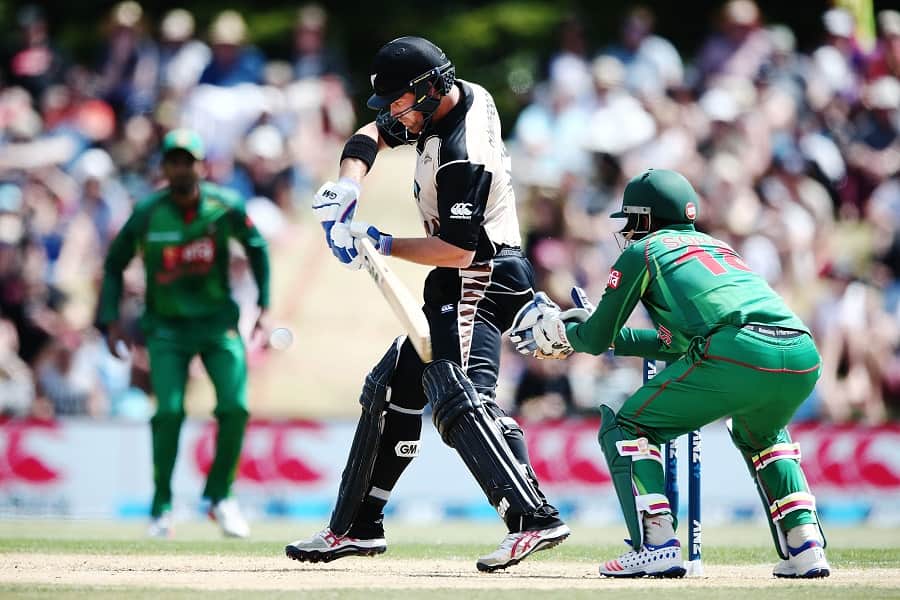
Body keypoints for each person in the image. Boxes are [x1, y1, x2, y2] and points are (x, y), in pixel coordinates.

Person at [285, 36, 569, 572]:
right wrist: (346, 186)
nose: (395, 116)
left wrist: (378, 240)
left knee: (457, 394)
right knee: (392, 386)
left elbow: (459, 249)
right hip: (462, 274)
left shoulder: (464, 156)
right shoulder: (450, 97)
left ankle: (534, 518)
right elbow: (371, 134)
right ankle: (356, 527)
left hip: (478, 272)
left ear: (429, 89)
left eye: (399, 103)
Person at [511, 169, 830, 578]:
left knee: (627, 427)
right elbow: (676, 343)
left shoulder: (642, 253)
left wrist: (564, 333)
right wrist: (592, 334)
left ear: (646, 218)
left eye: (630, 220)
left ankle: (657, 544)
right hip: (800, 352)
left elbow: (592, 339)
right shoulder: (719, 249)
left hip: (736, 350)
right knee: (763, 436)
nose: (626, 230)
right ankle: (806, 547)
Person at [97, 128, 271, 539]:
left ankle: (220, 497)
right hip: (167, 329)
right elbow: (113, 263)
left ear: (201, 165)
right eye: (173, 160)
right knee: (169, 412)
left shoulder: (225, 206)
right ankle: (161, 507)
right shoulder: (148, 212)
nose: (180, 167)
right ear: (164, 167)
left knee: (235, 408)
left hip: (217, 324)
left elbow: (258, 247)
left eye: (187, 160)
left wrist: (264, 305)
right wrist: (109, 319)